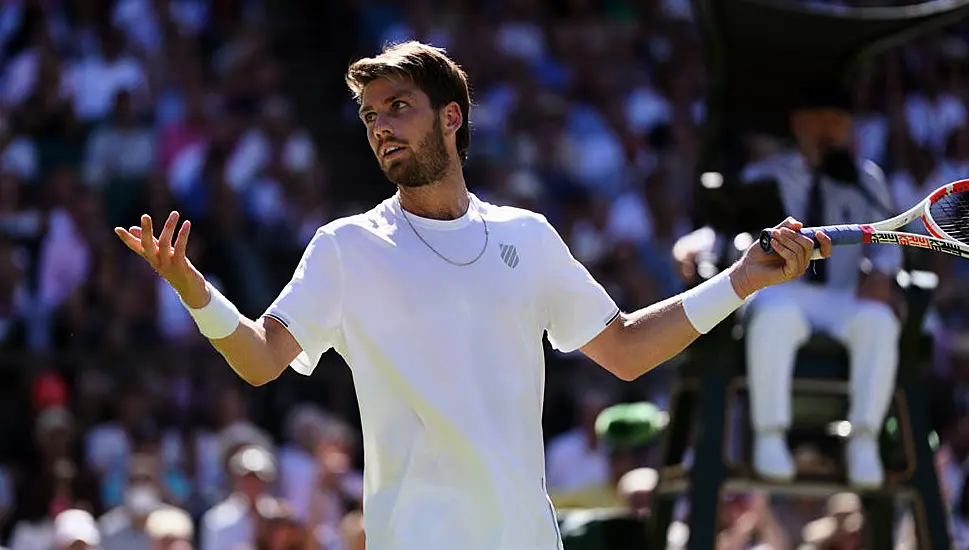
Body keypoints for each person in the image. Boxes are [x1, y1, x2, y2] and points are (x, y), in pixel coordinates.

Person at [114, 41, 830, 550]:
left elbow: (627, 348)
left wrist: (742, 280)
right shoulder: (344, 246)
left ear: (451, 117)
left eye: (397, 107)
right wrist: (192, 286)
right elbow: (261, 360)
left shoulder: (530, 236)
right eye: (369, 117)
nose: (381, 127)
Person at [737, 82, 902, 487]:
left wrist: (883, 272)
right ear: (799, 124)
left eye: (839, 123)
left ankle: (864, 441)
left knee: (879, 321)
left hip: (843, 294)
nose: (830, 132)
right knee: (774, 315)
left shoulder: (867, 179)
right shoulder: (764, 175)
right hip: (781, 290)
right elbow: (736, 238)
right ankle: (770, 437)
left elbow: (889, 244)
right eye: (820, 122)